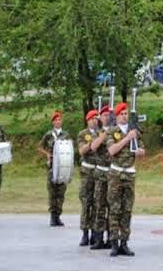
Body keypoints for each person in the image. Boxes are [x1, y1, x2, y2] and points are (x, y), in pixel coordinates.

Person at [106, 102, 146, 257]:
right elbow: (112, 150)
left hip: (129, 174)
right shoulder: (112, 132)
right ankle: (114, 243)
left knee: (127, 210)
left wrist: (138, 150)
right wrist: (127, 139)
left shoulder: (135, 132)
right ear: (116, 116)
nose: (124, 116)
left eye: (126, 113)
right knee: (115, 209)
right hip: (116, 174)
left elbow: (142, 152)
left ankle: (124, 242)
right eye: (121, 114)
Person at [38, 110, 72, 227]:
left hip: (63, 167)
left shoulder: (66, 134)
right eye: (56, 120)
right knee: (52, 192)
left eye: (59, 120)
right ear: (53, 122)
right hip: (52, 166)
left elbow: (69, 149)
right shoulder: (48, 134)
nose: (58, 122)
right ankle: (53, 216)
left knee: (61, 192)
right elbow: (40, 147)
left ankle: (58, 216)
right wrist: (47, 154)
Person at [90, 103, 114, 250]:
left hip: (113, 172)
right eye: (105, 115)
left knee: (113, 207)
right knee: (99, 205)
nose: (107, 117)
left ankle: (111, 237)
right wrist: (105, 133)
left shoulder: (116, 131)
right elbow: (93, 146)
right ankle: (98, 238)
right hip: (100, 172)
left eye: (109, 115)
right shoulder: (97, 131)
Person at [77, 109, 100, 246]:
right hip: (87, 172)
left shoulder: (101, 133)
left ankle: (94, 232)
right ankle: (85, 233)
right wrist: (92, 140)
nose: (95, 121)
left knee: (97, 203)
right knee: (86, 203)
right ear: (88, 120)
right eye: (92, 118)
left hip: (98, 171)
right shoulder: (83, 134)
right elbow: (81, 151)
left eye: (96, 119)